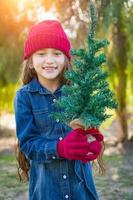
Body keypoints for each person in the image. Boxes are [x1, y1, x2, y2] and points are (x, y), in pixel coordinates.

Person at [14, 20, 104, 200]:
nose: (49, 60)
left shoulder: (78, 91)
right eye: (41, 54)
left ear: (65, 60)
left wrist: (93, 142)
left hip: (81, 190)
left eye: (56, 53)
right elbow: (28, 143)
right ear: (31, 62)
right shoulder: (24, 97)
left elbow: (89, 129)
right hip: (47, 190)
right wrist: (59, 148)